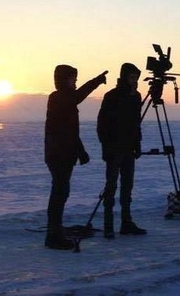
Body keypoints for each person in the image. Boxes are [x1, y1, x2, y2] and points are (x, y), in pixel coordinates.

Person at [44, 65, 108, 250]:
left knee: (61, 192)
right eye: (73, 79)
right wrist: (95, 82)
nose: (75, 82)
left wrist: (81, 151)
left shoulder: (66, 100)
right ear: (64, 80)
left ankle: (55, 230)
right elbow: (76, 98)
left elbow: (71, 130)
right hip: (58, 155)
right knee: (59, 193)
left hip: (65, 153)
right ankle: (53, 235)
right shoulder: (58, 98)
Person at [97, 63, 146, 239]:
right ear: (124, 77)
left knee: (127, 187)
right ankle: (108, 225)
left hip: (129, 149)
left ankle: (126, 222)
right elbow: (102, 124)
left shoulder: (136, 96)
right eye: (132, 77)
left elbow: (136, 123)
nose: (135, 81)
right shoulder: (111, 96)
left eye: (136, 78)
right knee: (111, 188)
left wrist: (137, 144)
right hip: (114, 148)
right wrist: (106, 147)